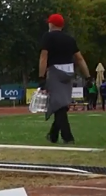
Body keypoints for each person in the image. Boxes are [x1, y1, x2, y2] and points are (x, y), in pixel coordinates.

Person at [38, 13, 91, 144]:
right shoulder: (70, 39)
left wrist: (41, 76)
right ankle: (53, 135)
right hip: (69, 71)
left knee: (59, 106)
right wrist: (88, 76)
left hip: (55, 71)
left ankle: (68, 137)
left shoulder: (48, 37)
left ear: (51, 24)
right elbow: (79, 58)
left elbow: (43, 57)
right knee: (62, 104)